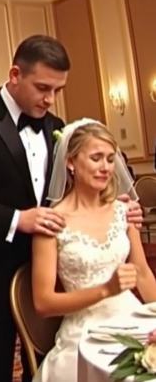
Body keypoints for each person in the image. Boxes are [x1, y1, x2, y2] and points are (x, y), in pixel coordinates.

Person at [0, 35, 144, 382]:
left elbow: (69, 192)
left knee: (48, 369)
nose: (50, 99)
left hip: (54, 277)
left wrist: (110, 205)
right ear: (15, 74)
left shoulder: (57, 128)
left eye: (58, 90)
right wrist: (17, 219)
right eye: (43, 87)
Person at [32, 119, 156, 382]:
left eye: (110, 159)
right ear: (70, 162)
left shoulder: (123, 212)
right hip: (84, 331)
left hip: (132, 318)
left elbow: (143, 274)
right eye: (96, 158)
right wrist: (105, 290)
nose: (105, 167)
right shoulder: (52, 222)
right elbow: (43, 303)